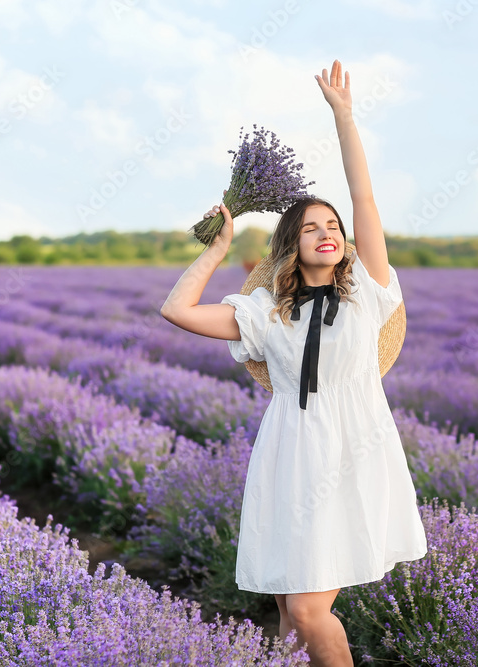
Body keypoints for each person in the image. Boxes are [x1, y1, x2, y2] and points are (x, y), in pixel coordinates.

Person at [160, 60, 428, 667]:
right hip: (288, 457)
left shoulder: (368, 295)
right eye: (311, 227)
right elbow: (176, 309)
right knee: (288, 615)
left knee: (309, 612)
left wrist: (344, 117)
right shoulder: (263, 312)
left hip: (351, 453)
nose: (327, 232)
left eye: (332, 225)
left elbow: (363, 197)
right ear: (292, 244)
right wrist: (218, 249)